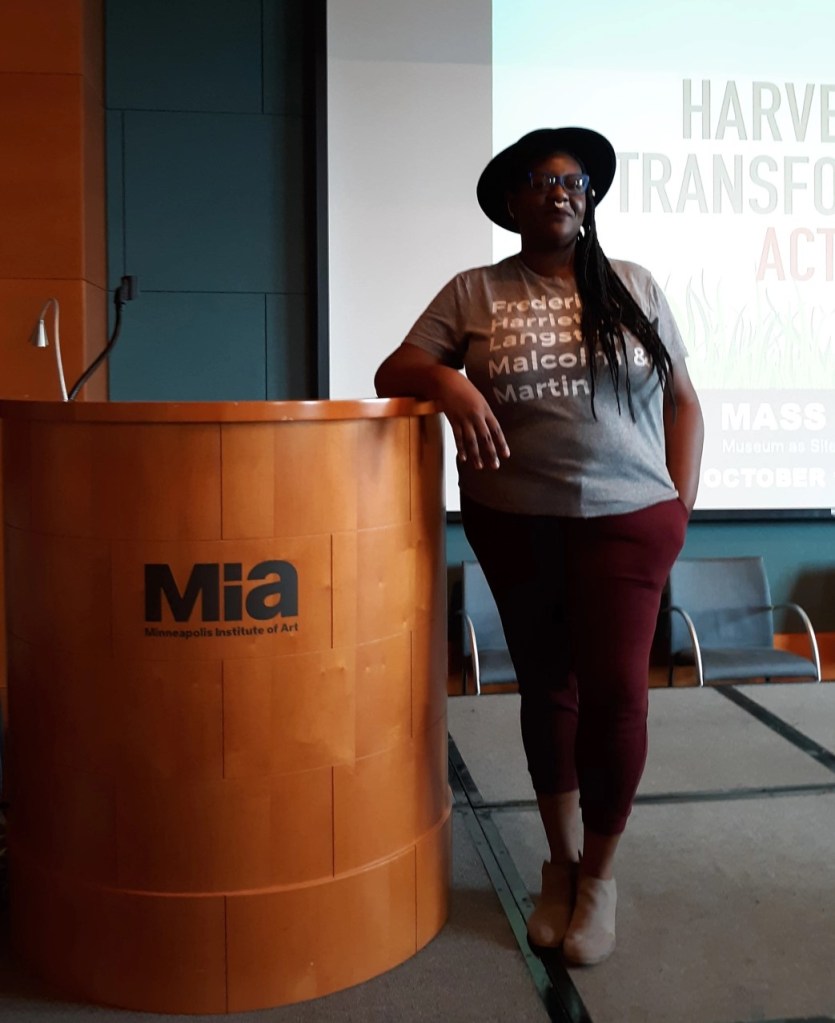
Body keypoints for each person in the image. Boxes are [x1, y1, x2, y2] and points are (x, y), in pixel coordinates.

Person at [374, 127, 704, 966]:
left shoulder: (631, 285)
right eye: (541, 180)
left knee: (617, 695)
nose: (560, 191)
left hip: (628, 522)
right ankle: (556, 865)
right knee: (544, 690)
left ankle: (598, 877)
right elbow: (393, 370)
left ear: (588, 199)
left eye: (574, 180)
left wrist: (679, 507)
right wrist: (447, 380)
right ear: (511, 201)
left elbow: (683, 402)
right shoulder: (475, 290)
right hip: (514, 520)